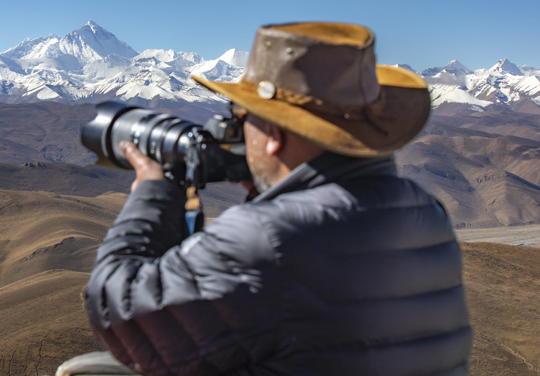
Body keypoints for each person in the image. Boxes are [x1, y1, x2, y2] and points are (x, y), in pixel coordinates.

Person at [78, 22, 472, 375]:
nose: (234, 129)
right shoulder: (424, 210)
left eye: (241, 114)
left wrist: (153, 192)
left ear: (275, 134)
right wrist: (272, 193)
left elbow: (117, 311)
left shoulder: (267, 236)